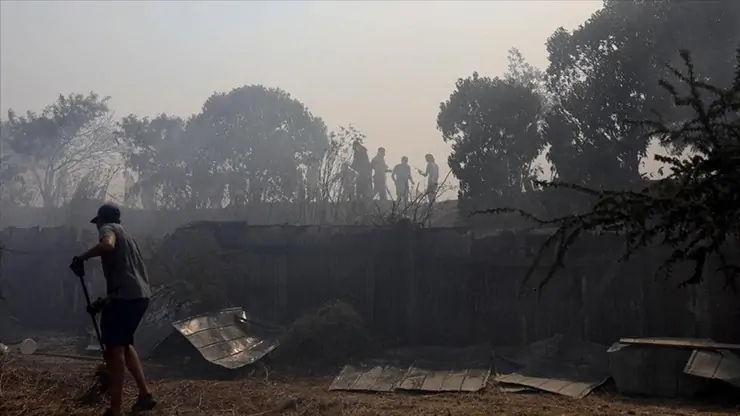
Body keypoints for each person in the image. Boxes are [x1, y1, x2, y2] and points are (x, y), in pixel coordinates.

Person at [71, 203, 156, 416]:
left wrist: (82, 257)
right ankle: (145, 395)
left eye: (97, 223)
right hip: (139, 296)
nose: (97, 227)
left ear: (102, 220)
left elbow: (107, 245)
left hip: (127, 298)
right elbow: (127, 278)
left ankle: (115, 409)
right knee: (125, 345)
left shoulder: (107, 229)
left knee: (114, 350)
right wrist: (104, 302)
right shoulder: (127, 236)